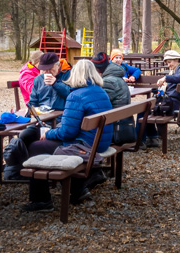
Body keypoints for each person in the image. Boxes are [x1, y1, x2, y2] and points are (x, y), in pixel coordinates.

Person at [19, 59, 113, 212]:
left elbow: (67, 133)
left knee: (35, 147)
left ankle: (42, 200)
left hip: (85, 144)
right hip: (100, 141)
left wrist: (48, 133)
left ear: (75, 74)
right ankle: (78, 190)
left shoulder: (76, 96)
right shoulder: (100, 91)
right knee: (54, 145)